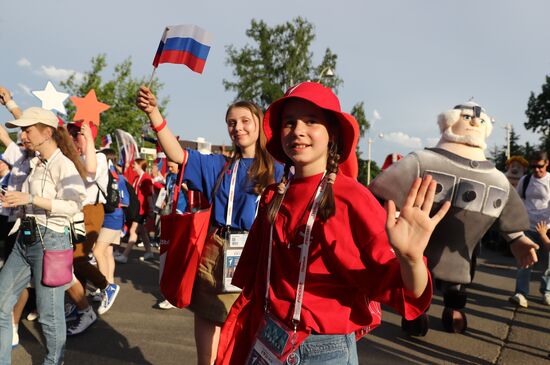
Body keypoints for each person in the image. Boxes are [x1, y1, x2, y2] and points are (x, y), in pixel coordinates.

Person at [214, 82, 450, 364]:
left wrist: (411, 259)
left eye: (311, 121)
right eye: (290, 122)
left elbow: (409, 291)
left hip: (323, 350)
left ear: (332, 134)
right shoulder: (274, 195)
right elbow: (254, 282)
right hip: (268, 339)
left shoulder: (352, 198)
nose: (298, 130)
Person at [137, 85, 282, 365]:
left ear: (259, 125)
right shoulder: (220, 165)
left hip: (257, 254)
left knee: (249, 334)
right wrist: (154, 112)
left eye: (244, 121)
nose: (237, 128)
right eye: (231, 123)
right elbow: (178, 155)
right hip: (217, 251)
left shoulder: (278, 169)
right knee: (207, 322)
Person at [369, 101, 539, 335]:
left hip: (462, 249)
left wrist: (517, 238)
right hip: (421, 242)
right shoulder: (423, 161)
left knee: (458, 276)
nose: (474, 122)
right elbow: (381, 193)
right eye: (468, 117)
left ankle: (452, 309)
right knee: (419, 272)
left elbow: (508, 209)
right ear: (450, 121)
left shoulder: (496, 178)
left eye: (479, 120)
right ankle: (418, 311)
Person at [0, 107, 87, 365]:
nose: (22, 135)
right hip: (24, 240)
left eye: (27, 130)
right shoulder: (35, 162)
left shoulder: (64, 164)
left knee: (49, 316)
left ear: (47, 132)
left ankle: (54, 361)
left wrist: (30, 198)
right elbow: (31, 202)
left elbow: (74, 205)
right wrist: (15, 201)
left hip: (51, 243)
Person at [509, 151, 550, 308]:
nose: (537, 170)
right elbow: (518, 201)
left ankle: (546, 291)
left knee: (548, 264)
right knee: (525, 261)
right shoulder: (525, 180)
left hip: (546, 229)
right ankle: (521, 293)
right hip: (527, 226)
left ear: (547, 164)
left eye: (540, 166)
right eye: (533, 166)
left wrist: (546, 229)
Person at [91, 148, 122, 314]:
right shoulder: (117, 175)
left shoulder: (107, 174)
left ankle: (105, 287)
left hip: (111, 218)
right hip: (115, 217)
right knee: (107, 253)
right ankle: (109, 283)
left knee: (98, 252)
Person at [115, 158, 155, 262]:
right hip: (137, 208)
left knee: (133, 230)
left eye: (135, 164)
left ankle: (125, 255)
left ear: (140, 165)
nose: (133, 166)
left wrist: (151, 209)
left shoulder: (146, 178)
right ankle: (149, 252)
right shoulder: (137, 178)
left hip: (142, 209)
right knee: (142, 231)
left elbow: (149, 196)